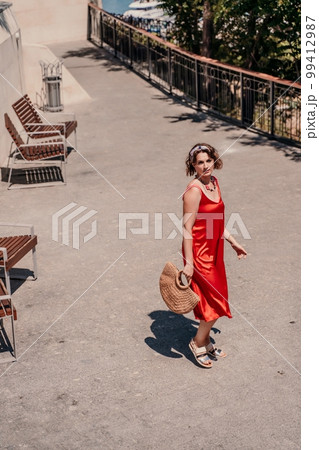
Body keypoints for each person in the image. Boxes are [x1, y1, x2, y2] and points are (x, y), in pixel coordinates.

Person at [182, 143, 247, 368]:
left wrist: (233, 241)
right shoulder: (194, 191)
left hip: (215, 248)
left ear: (214, 160)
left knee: (214, 299)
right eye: (200, 162)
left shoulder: (214, 183)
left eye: (208, 161)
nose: (205, 166)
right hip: (199, 253)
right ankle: (197, 341)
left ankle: (206, 341)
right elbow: (186, 229)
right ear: (193, 165)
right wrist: (189, 263)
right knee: (217, 299)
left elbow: (216, 221)